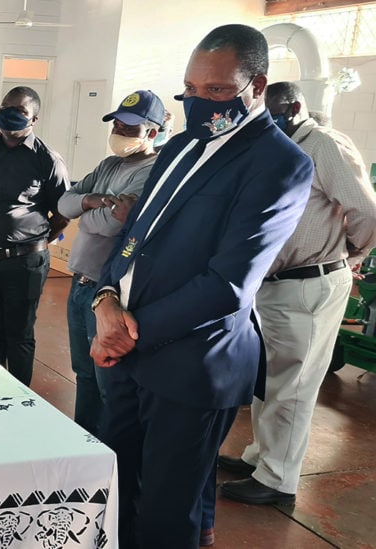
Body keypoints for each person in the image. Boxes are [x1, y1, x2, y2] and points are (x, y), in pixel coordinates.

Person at [89, 25, 313, 548]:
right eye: (190, 90)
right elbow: (133, 236)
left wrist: (129, 329)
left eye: (215, 91)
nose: (199, 102)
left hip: (193, 362)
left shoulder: (279, 164)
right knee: (114, 488)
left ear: (256, 85)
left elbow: (229, 284)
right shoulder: (183, 145)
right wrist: (104, 301)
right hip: (126, 351)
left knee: (169, 512)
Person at [219, 81, 376, 506]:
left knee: (295, 384)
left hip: (310, 282)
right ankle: (261, 457)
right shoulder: (277, 144)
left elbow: (367, 210)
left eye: (276, 113)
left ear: (295, 106)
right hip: (276, 285)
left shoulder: (323, 144)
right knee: (269, 379)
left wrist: (349, 252)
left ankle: (277, 480)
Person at [56, 89, 163, 436]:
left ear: (152, 132)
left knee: (108, 379)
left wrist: (85, 210)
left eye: (129, 128)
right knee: (84, 370)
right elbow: (63, 203)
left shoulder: (151, 172)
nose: (119, 132)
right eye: (117, 124)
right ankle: (84, 437)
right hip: (80, 280)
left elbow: (112, 226)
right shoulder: (110, 165)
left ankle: (112, 452)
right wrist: (94, 200)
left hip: (107, 294)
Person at [0, 86, 69, 387]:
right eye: (6, 106)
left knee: (20, 337)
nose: (10, 113)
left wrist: (34, 242)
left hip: (25, 263)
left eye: (20, 110)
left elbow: (63, 213)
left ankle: (20, 401)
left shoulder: (47, 159)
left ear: (34, 118)